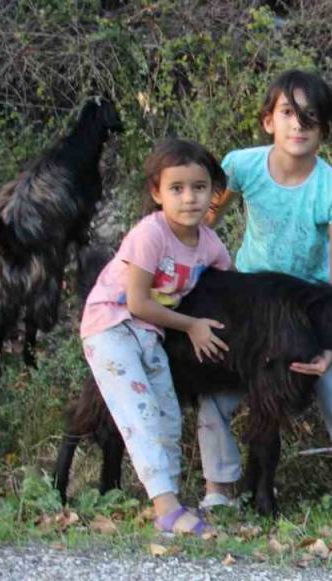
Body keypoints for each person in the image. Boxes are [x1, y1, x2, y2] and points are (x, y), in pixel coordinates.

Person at [199, 69, 332, 509]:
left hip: (309, 310)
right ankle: (219, 491)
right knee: (214, 391)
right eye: (288, 113)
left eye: (310, 117)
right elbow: (200, 227)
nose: (298, 125)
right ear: (268, 121)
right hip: (250, 303)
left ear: (324, 129)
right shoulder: (241, 166)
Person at [80, 138, 236, 535]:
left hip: (152, 334)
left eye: (199, 188)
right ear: (157, 193)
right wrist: (192, 326)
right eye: (177, 189)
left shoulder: (210, 245)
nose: (189, 199)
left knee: (168, 417)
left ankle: (171, 502)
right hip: (111, 325)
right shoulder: (150, 234)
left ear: (214, 193)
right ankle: (167, 510)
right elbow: (137, 302)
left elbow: (234, 290)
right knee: (142, 414)